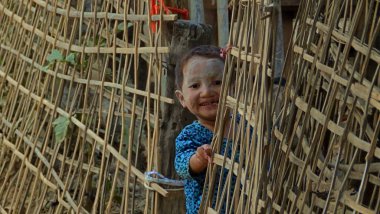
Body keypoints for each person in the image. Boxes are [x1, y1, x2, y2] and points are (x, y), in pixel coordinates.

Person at [174, 45, 228, 214]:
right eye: (195, 86)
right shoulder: (191, 135)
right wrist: (198, 159)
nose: (206, 92)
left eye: (217, 83)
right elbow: (182, 164)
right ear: (182, 98)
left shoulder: (245, 125)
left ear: (233, 87)